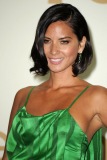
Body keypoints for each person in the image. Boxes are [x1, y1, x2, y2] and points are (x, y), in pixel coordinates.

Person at [2, 3, 107, 160]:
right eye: (46, 41)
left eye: (64, 41)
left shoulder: (96, 97)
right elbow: (7, 157)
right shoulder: (23, 95)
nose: (53, 50)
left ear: (81, 44)